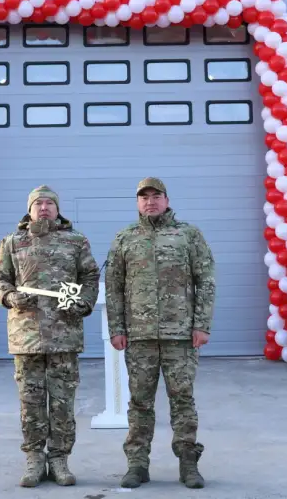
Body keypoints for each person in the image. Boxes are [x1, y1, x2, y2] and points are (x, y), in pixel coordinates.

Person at [106, 177, 216, 490]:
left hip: (180, 335)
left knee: (182, 399)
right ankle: (137, 464)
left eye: (156, 196)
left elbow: (206, 280)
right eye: (144, 197)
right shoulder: (125, 238)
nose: (150, 202)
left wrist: (201, 324)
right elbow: (113, 288)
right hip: (139, 337)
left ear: (166, 200)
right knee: (140, 401)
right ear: (137, 202)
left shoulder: (188, 235)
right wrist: (116, 328)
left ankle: (188, 463)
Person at [0, 185, 100, 488]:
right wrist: (10, 297)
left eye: (49, 202)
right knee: (31, 402)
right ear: (29, 209)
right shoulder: (12, 242)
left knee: (63, 402)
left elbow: (90, 276)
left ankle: (59, 459)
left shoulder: (76, 241)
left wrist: (85, 301)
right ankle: (35, 459)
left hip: (64, 334)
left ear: (57, 208)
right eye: (38, 203)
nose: (44, 207)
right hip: (26, 337)